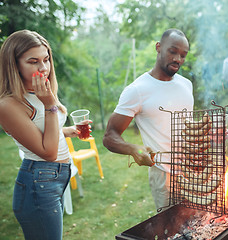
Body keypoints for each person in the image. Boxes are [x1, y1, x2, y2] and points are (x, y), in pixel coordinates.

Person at [0, 30, 86, 240]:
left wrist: (69, 131)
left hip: (55, 178)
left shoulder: (40, 91)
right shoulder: (8, 104)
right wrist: (49, 105)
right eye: (33, 61)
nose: (43, 68)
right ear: (15, 65)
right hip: (39, 182)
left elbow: (44, 133)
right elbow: (47, 152)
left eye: (46, 59)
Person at [103, 29, 193, 210]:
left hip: (195, 172)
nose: (178, 59)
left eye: (183, 55)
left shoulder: (186, 84)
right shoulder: (137, 90)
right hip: (165, 177)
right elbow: (109, 136)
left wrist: (210, 133)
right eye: (173, 51)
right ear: (158, 47)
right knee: (174, 234)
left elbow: (186, 126)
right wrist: (134, 149)